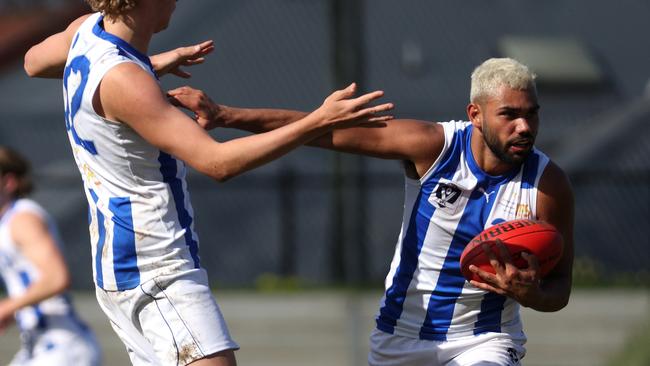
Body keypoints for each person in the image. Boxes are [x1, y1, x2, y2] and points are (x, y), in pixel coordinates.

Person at [23, 1, 393, 365]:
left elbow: (33, 62)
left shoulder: (86, 30)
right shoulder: (125, 79)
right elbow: (217, 162)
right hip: (155, 267)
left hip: (122, 262)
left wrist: (146, 65)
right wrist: (318, 121)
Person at [169, 57, 575, 366]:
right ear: (476, 115)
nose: (524, 126)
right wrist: (227, 117)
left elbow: (560, 290)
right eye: (510, 114)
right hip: (399, 338)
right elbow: (320, 131)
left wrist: (532, 293)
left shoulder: (548, 184)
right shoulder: (433, 146)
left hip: (484, 341)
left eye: (531, 113)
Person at [0, 146, 102, 366]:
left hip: (62, 349)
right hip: (40, 346)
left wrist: (7, 307)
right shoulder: (8, 221)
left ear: (8, 182)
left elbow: (57, 278)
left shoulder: (22, 218)